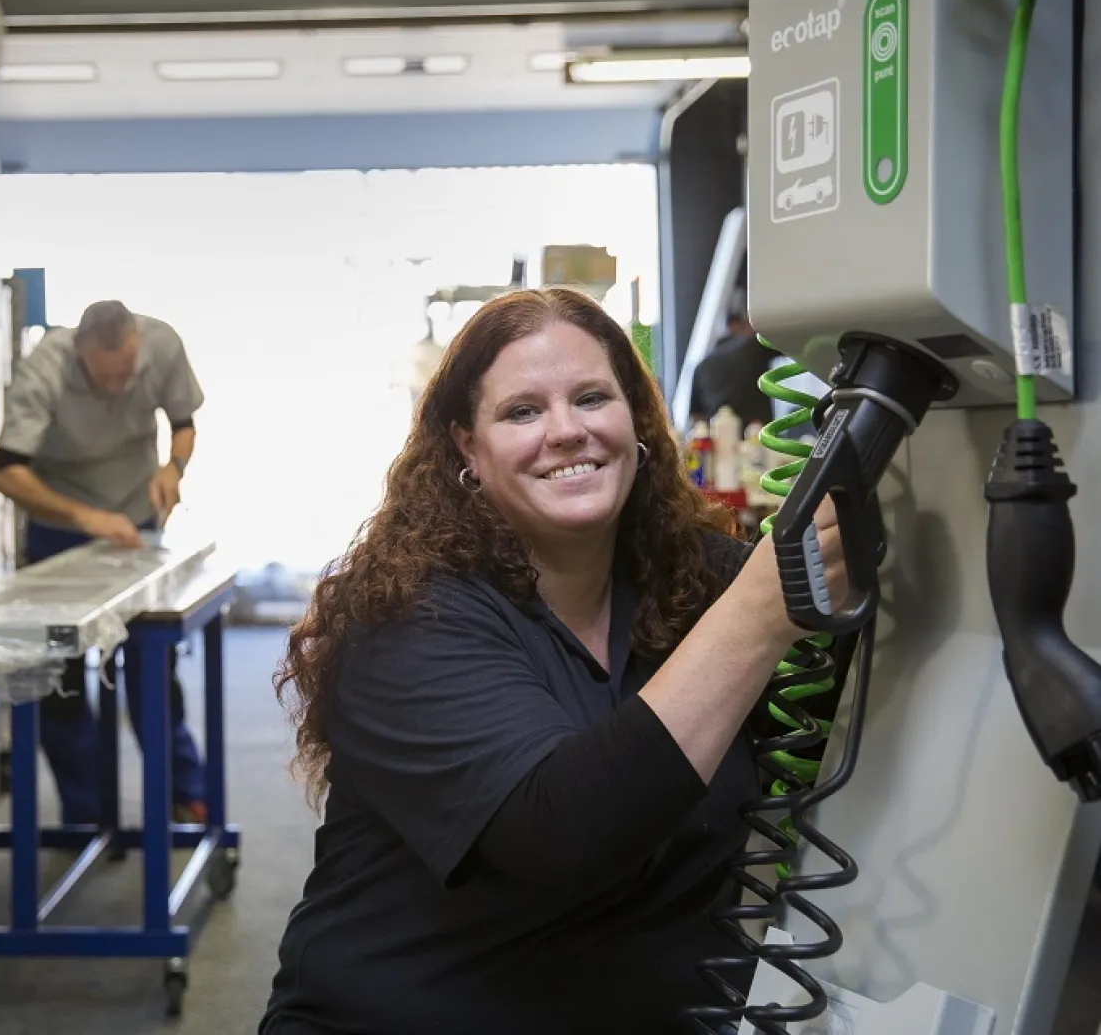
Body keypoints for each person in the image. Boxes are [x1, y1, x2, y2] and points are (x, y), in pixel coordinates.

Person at [260, 288, 845, 1033]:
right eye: (522, 411)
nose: (567, 431)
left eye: (592, 397)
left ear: (637, 419)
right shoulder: (407, 618)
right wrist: (763, 614)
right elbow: (562, 835)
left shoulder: (700, 578)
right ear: (467, 447)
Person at [0, 299, 208, 825]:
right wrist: (84, 517)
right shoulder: (43, 368)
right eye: (102, 376)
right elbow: (7, 473)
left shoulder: (163, 344)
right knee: (60, 683)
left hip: (136, 526)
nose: (116, 388)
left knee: (152, 670)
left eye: (125, 375)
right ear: (78, 354)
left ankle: (186, 793)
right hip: (61, 532)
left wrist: (173, 468)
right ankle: (85, 815)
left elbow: (184, 422)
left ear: (138, 347)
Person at [691, 307, 780, 428]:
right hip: (758, 437)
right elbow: (788, 344)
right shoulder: (753, 346)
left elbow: (697, 417)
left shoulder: (701, 366)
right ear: (739, 324)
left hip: (719, 439)